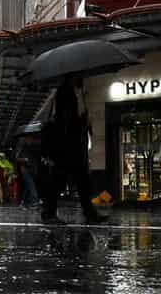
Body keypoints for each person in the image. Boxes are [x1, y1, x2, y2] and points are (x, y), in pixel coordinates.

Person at [42, 78, 106, 225]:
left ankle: (87, 213)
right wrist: (82, 121)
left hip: (71, 150)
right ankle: (50, 213)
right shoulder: (66, 93)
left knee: (79, 182)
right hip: (67, 150)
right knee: (67, 182)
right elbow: (67, 124)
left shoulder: (74, 94)